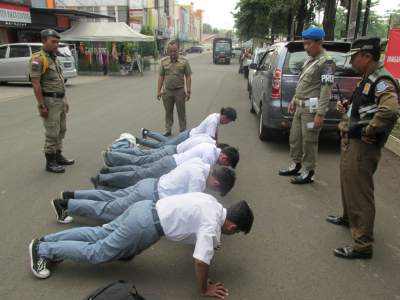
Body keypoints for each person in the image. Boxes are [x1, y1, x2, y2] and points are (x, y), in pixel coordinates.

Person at [29, 192, 254, 300]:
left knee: (99, 233)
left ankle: (47, 241)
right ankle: (43, 250)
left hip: (144, 208)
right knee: (97, 252)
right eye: (234, 232)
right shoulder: (210, 224)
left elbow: (197, 226)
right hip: (144, 226)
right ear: (232, 226)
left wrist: (213, 241)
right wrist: (205, 288)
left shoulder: (212, 204)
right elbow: (200, 261)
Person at [325, 37, 399, 259]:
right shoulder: (367, 78)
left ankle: (362, 244)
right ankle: (349, 218)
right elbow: (364, 104)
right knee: (349, 183)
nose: (351, 62)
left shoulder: (382, 80)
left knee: (360, 192)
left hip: (362, 145)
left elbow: (390, 110)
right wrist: (346, 107)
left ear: (366, 56)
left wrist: (370, 130)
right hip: (351, 141)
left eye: (354, 57)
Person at [51, 159, 236, 223]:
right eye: (215, 189)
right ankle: (65, 205)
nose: (211, 190)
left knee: (110, 196)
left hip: (149, 185)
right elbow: (190, 206)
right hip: (149, 194)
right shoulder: (198, 179)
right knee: (107, 209)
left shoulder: (201, 166)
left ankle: (71, 194)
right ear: (217, 183)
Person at [279, 27, 335, 184]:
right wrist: (293, 100)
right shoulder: (310, 60)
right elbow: (303, 83)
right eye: (304, 43)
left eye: (308, 44)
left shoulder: (327, 62)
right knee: (295, 138)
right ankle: (296, 165)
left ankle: (308, 172)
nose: (305, 47)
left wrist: (320, 114)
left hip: (312, 109)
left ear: (319, 42)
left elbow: (326, 90)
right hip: (300, 106)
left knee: (309, 141)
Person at [29, 28, 75, 173]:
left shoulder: (54, 57)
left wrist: (65, 100)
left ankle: (58, 155)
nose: (56, 44)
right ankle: (50, 163)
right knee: (52, 133)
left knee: (62, 129)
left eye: (57, 42)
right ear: (44, 41)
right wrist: (41, 105)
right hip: (49, 101)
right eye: (53, 42)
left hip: (60, 100)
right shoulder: (38, 59)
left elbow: (60, 81)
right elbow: (35, 84)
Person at [96, 144, 239, 189]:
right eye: (226, 164)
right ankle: (104, 178)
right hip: (170, 165)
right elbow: (203, 178)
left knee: (139, 170)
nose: (223, 166)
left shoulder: (211, 147)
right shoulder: (210, 156)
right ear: (224, 157)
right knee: (138, 174)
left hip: (171, 160)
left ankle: (108, 171)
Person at [136, 107, 237, 149]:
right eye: (229, 121)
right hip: (187, 138)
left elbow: (215, 134)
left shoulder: (216, 116)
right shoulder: (213, 121)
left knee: (166, 142)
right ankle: (139, 140)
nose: (227, 123)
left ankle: (146, 132)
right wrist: (217, 148)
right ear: (225, 117)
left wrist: (217, 142)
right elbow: (210, 140)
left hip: (188, 135)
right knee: (163, 146)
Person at [105, 133, 216, 166]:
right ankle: (113, 154)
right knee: (140, 159)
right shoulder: (209, 148)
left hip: (172, 150)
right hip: (172, 153)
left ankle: (116, 152)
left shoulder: (207, 139)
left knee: (142, 156)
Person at [158, 40, 192, 136]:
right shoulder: (164, 62)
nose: (173, 53)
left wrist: (188, 91)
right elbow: (161, 77)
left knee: (181, 112)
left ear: (178, 50)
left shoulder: (184, 62)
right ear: (168, 51)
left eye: (175, 51)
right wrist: (158, 91)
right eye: (171, 51)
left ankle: (183, 131)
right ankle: (168, 130)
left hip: (180, 91)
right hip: (167, 92)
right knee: (168, 112)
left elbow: (188, 76)